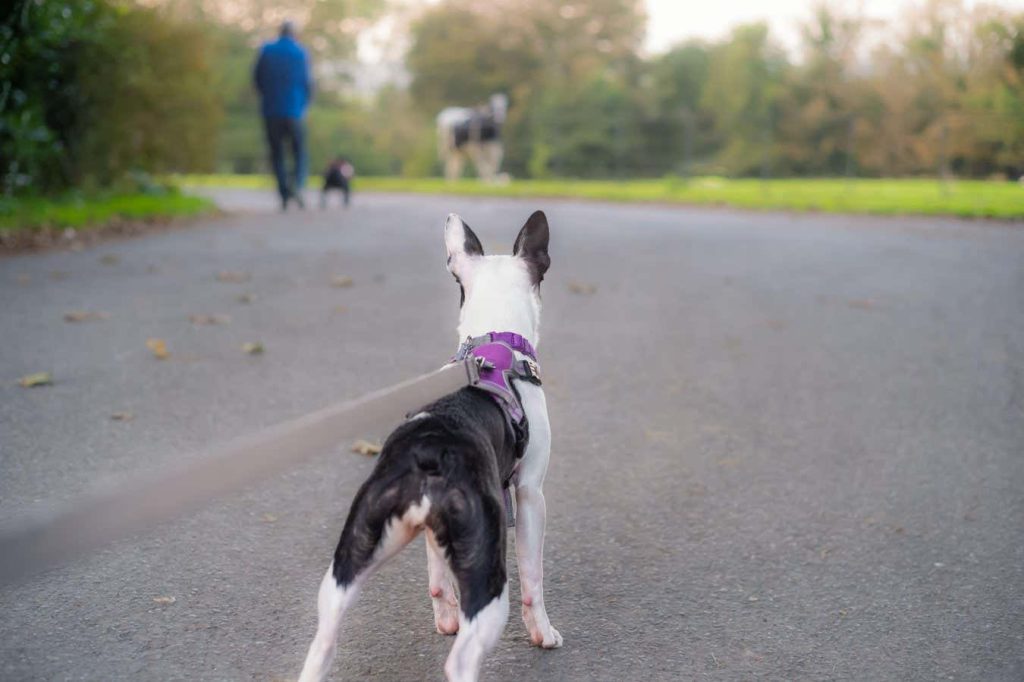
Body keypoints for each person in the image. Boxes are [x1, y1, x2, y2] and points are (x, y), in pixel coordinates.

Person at [253, 21, 313, 211]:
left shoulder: (267, 50)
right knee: (299, 152)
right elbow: (308, 83)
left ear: (279, 33)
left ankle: (284, 193)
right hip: (294, 110)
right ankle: (297, 185)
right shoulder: (301, 53)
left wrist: (267, 96)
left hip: (271, 110)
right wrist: (304, 105)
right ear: (294, 33)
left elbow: (257, 78)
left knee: (277, 154)